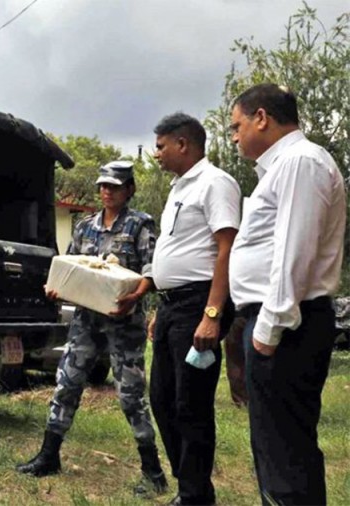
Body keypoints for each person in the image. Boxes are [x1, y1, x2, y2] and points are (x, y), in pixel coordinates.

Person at [16, 161, 168, 497]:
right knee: (66, 385)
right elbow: (69, 266)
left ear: (129, 189)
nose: (106, 191)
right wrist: (57, 289)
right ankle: (48, 456)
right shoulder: (85, 226)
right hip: (85, 322)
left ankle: (153, 471)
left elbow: (152, 271)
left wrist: (135, 297)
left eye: (114, 186)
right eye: (103, 185)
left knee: (130, 397)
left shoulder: (141, 225)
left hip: (123, 323)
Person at [229, 83, 346, 505]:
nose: (235, 136)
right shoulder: (284, 167)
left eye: (237, 126)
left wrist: (269, 330)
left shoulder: (300, 161)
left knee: (285, 453)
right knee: (275, 447)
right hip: (278, 320)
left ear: (262, 117)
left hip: (286, 323)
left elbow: (293, 251)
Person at [147, 113, 241, 506]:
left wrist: (213, 313)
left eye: (161, 146)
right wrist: (161, 306)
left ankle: (193, 495)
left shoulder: (215, 183)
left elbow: (226, 249)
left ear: (183, 144)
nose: (156, 155)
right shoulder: (178, 188)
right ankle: (193, 488)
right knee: (162, 399)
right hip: (173, 307)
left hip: (200, 305)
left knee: (191, 404)